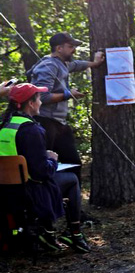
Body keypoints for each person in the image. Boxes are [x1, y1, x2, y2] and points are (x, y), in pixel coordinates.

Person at [0, 83, 89, 253]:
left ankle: (49, 232)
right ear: (31, 103)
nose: (41, 102)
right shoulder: (31, 130)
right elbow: (41, 173)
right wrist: (52, 159)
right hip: (28, 192)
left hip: (6, 191)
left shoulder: (3, 124)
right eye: (39, 98)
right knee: (72, 179)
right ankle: (75, 234)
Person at [28, 32, 105, 185]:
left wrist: (94, 63)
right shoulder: (49, 65)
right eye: (70, 46)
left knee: (73, 163)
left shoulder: (62, 63)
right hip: (45, 122)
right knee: (44, 166)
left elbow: (76, 65)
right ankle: (48, 202)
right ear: (59, 48)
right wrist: (68, 94)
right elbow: (41, 97)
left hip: (59, 123)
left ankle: (72, 205)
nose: (74, 50)